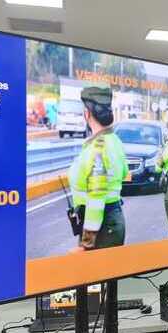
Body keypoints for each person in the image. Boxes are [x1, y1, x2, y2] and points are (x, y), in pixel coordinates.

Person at [67, 87, 128, 251]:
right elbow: (123, 173)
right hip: (113, 221)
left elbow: (96, 198)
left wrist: (86, 245)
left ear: (87, 113)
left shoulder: (97, 148)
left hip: (101, 229)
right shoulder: (114, 140)